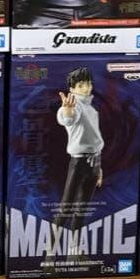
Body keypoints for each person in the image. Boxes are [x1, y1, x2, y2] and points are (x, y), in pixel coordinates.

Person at [45, 67, 103, 260]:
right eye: (81, 85)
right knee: (66, 208)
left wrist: (99, 167)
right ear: (72, 89)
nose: (86, 88)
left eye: (88, 84)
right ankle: (50, 255)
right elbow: (68, 118)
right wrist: (67, 111)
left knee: (81, 209)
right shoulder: (75, 106)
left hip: (94, 161)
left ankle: (74, 252)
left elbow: (95, 141)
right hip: (79, 162)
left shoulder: (92, 109)